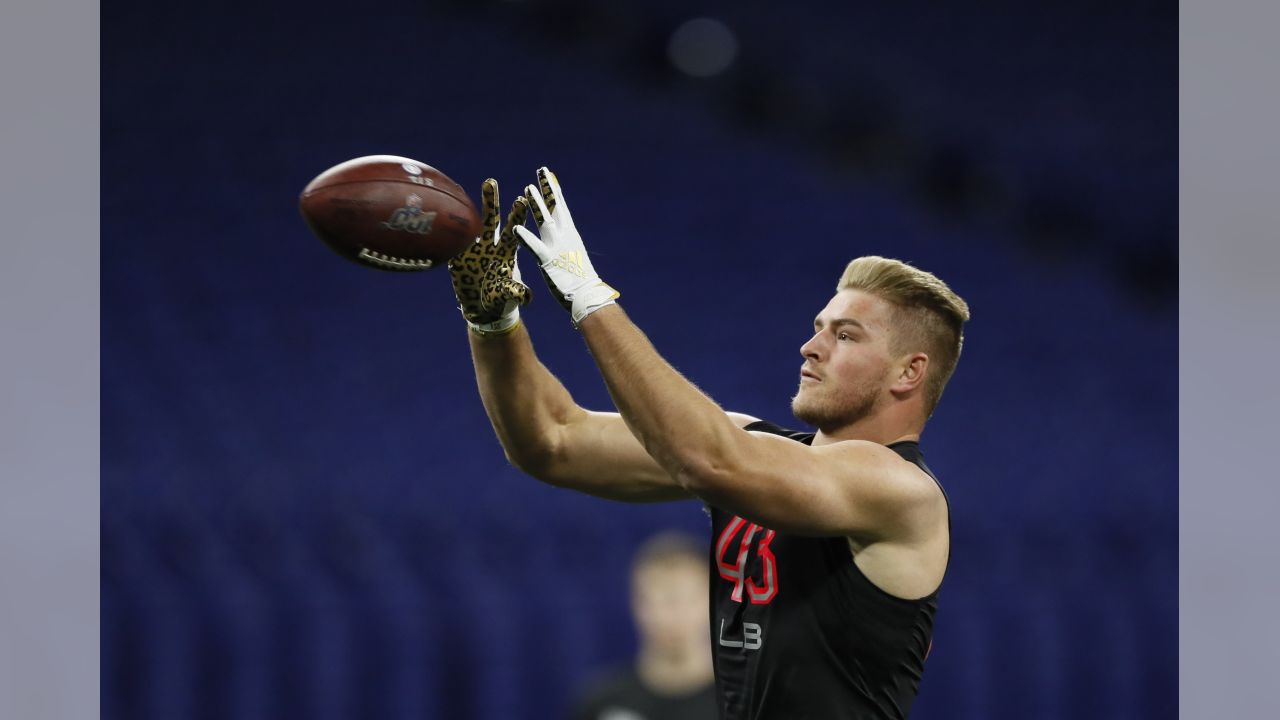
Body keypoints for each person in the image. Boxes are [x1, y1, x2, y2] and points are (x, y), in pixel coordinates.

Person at [447, 168, 971, 719]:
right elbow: (550, 441)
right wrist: (494, 323)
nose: (810, 347)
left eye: (844, 335)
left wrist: (588, 295)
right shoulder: (759, 451)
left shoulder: (903, 492)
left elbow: (710, 460)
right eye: (819, 326)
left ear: (909, 373)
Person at [572, 531, 718, 720]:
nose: (662, 616)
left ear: (712, 602)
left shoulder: (746, 702)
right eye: (649, 601)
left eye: (677, 600)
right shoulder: (601, 702)